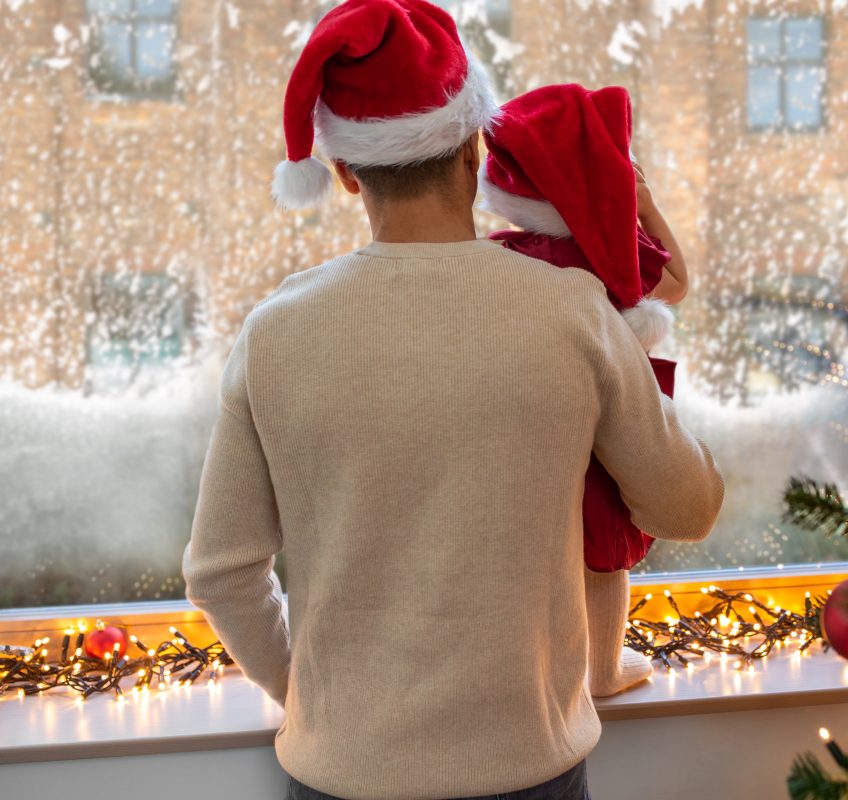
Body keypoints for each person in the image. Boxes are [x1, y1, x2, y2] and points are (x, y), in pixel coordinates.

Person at [180, 1, 725, 799]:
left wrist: (312, 698)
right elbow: (687, 506)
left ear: (343, 171)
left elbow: (222, 571)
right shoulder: (569, 308)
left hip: (337, 773)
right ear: (474, 149)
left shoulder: (276, 332)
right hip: (528, 769)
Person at [478, 83, 690, 697]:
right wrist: (643, 208)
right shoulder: (609, 251)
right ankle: (600, 672)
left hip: (527, 423)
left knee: (537, 548)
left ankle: (541, 666)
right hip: (603, 428)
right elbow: (676, 284)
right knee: (604, 554)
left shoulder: (505, 252)